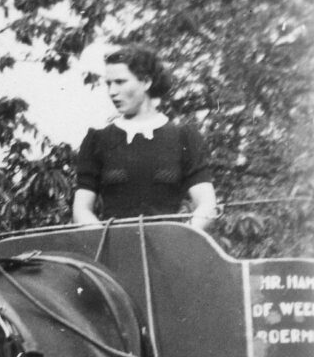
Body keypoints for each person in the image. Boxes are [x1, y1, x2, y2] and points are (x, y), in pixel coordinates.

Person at [72, 45, 217, 231]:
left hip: (167, 250)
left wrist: (177, 237)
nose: (112, 92)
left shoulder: (183, 137)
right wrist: (108, 240)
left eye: (120, 82)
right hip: (112, 251)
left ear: (146, 82)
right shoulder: (97, 140)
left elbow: (207, 205)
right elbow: (81, 209)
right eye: (108, 83)